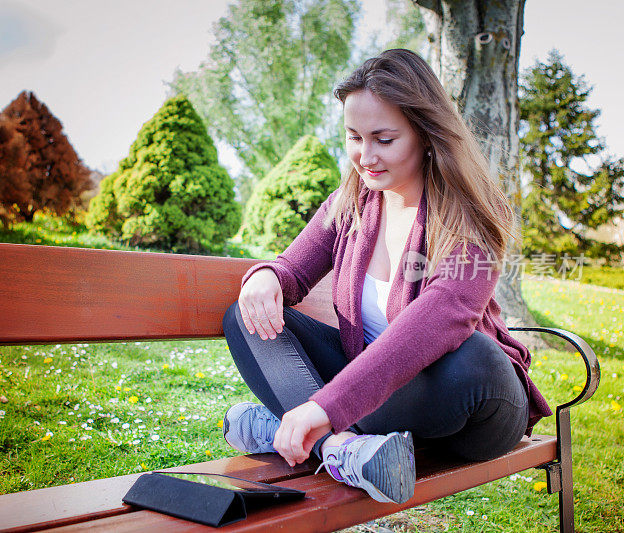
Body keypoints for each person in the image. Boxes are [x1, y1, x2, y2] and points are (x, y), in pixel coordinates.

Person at [220, 49, 552, 505]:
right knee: (246, 316)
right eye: (354, 137)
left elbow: (441, 316)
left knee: (475, 357)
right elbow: (292, 269)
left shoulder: (472, 212)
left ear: (425, 133)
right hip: (372, 395)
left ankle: (286, 426)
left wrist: (325, 405)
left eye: (384, 138)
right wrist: (267, 278)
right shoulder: (350, 202)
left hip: (467, 405)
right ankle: (341, 450)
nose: (365, 156)